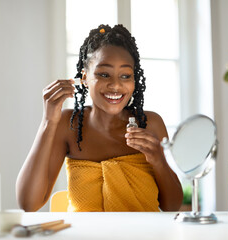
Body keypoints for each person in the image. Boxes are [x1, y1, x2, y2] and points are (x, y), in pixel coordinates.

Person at [16, 24, 183, 212]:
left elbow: (172, 206)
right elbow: (28, 204)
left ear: (134, 80)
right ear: (85, 78)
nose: (115, 85)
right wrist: (48, 121)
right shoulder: (68, 124)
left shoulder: (150, 124)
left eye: (125, 75)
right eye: (104, 74)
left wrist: (158, 159)